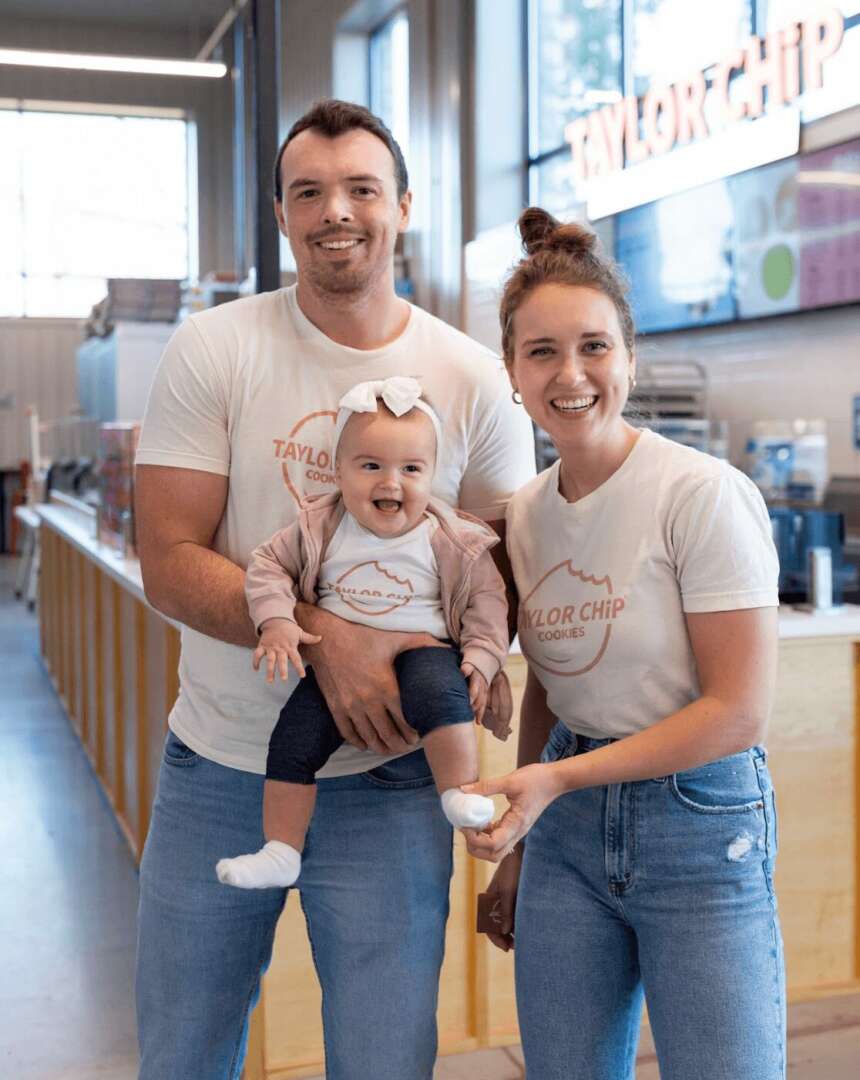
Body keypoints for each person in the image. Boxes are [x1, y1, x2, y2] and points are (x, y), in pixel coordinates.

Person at [133, 99, 534, 1080]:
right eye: (308, 192)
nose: (335, 212)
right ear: (281, 214)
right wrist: (328, 641)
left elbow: (504, 580)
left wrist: (444, 670)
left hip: (398, 782)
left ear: (403, 205)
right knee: (183, 1052)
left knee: (384, 1061)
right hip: (224, 765)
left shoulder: (473, 378)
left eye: (360, 188)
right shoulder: (214, 348)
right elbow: (170, 559)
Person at [463, 207, 784, 1080]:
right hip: (564, 831)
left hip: (698, 822)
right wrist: (520, 846)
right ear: (512, 372)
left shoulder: (701, 494)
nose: (570, 374)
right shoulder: (525, 512)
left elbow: (738, 713)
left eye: (594, 347)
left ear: (630, 358)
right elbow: (554, 682)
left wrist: (553, 782)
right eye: (542, 352)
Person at [216, 377, 511, 890]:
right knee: (291, 741)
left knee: (445, 698)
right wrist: (277, 620)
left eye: (411, 469)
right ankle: (281, 850)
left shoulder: (450, 538)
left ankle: (458, 793)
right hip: (335, 665)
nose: (391, 483)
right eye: (371, 466)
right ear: (338, 471)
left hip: (424, 651)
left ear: (432, 474)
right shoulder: (320, 526)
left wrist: (483, 659)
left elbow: (489, 599)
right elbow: (267, 566)